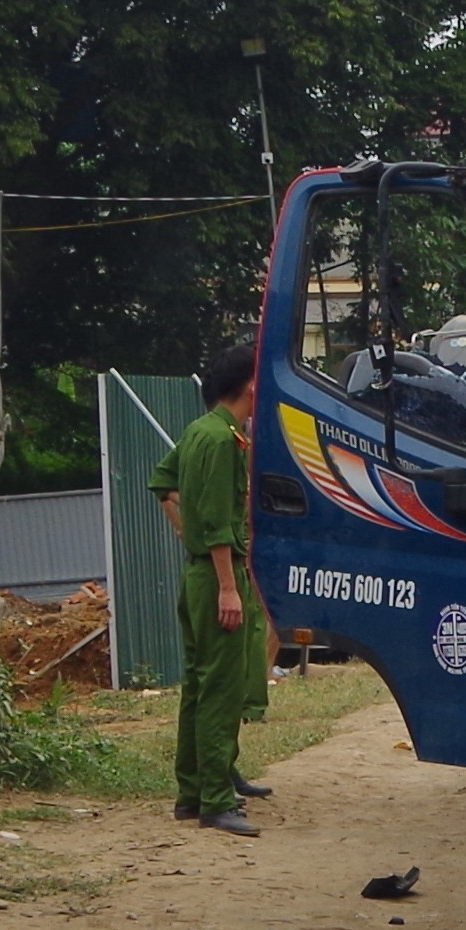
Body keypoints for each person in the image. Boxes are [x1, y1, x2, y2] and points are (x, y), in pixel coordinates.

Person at [162, 340, 272, 833]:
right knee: (221, 689)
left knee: (199, 685)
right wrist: (229, 586)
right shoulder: (224, 440)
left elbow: (162, 483)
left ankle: (193, 789)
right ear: (251, 386)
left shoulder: (198, 432)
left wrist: (188, 533)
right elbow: (219, 522)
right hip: (217, 577)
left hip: (200, 574)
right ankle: (214, 799)